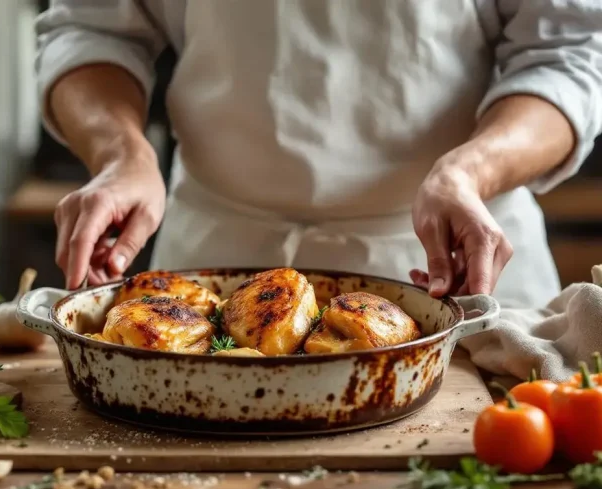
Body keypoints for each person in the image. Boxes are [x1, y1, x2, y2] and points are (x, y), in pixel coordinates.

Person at [35, 0, 602, 308]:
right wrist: (122, 155)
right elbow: (93, 29)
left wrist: (471, 171)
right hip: (213, 266)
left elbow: (567, 54)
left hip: (452, 260)